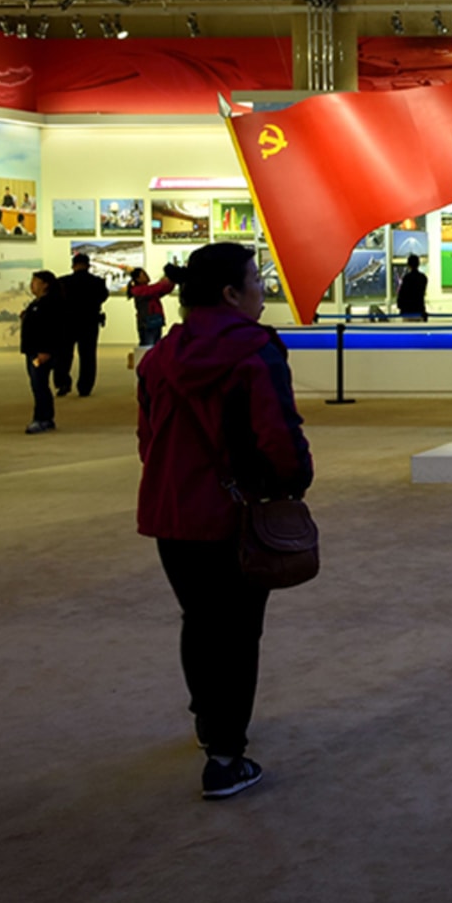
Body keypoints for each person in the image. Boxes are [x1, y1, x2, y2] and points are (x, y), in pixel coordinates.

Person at [136, 243, 313, 800]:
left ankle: (208, 722)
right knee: (238, 631)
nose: (263, 290)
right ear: (231, 294)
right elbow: (278, 436)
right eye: (256, 280)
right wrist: (293, 484)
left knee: (199, 618)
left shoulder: (159, 357)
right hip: (231, 513)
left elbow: (147, 438)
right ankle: (225, 757)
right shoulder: (255, 351)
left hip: (169, 510)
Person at [55, 252, 112, 396]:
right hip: (89, 322)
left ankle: (62, 383)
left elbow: (56, 301)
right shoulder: (97, 282)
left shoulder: (62, 282)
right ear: (88, 266)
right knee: (88, 356)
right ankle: (85, 388)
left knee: (63, 354)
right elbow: (103, 297)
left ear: (73, 265)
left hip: (66, 322)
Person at [19, 270, 66, 434]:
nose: (32, 284)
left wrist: (45, 350)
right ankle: (45, 417)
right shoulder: (37, 303)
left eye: (35, 281)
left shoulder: (51, 303)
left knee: (39, 384)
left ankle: (42, 418)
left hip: (40, 353)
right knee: (37, 384)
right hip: (32, 351)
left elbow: (51, 329)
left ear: (45, 284)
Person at [128, 266, 176, 348]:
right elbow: (158, 288)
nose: (147, 276)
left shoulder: (146, 290)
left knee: (154, 347)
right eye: (143, 274)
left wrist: (171, 280)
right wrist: (169, 278)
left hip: (154, 322)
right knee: (148, 348)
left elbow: (163, 289)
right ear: (137, 279)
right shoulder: (138, 290)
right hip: (147, 324)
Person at [395, 254, 429, 319]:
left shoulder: (407, 278)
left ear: (408, 265)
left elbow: (402, 294)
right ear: (418, 264)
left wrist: (400, 305)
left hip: (407, 312)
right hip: (419, 311)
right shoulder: (423, 278)